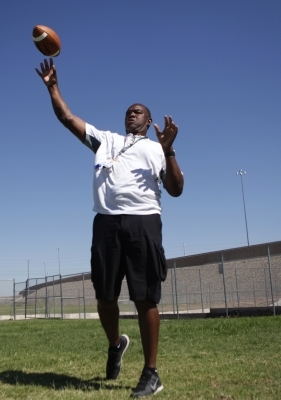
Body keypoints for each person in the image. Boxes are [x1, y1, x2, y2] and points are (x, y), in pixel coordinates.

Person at [36, 58, 184, 398]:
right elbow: (67, 118)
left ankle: (151, 373)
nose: (131, 113)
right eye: (128, 110)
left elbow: (176, 189)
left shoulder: (157, 148)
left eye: (138, 111)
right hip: (105, 223)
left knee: (145, 297)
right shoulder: (105, 140)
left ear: (148, 121)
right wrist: (53, 87)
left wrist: (170, 150)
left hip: (144, 222)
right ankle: (116, 344)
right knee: (104, 297)